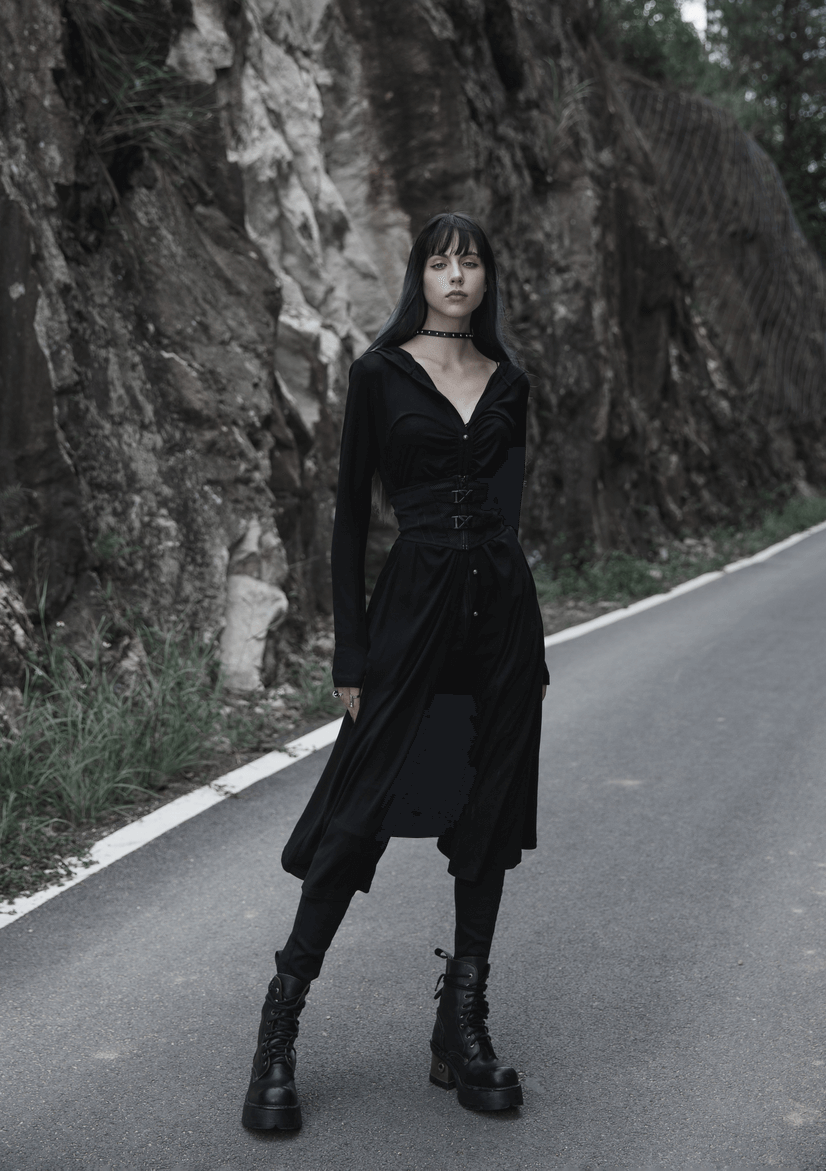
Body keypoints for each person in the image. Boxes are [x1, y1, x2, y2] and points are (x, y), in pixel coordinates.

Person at [241, 212, 548, 1131]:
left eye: (473, 261)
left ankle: (461, 1025)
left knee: (486, 816)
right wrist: (351, 647)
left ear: (489, 280)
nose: (457, 274)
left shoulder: (511, 382)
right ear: (419, 273)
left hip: (499, 623)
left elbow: (508, 509)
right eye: (441, 259)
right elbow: (345, 522)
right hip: (409, 619)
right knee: (359, 811)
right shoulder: (378, 376)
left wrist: (516, 634)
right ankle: (278, 1028)